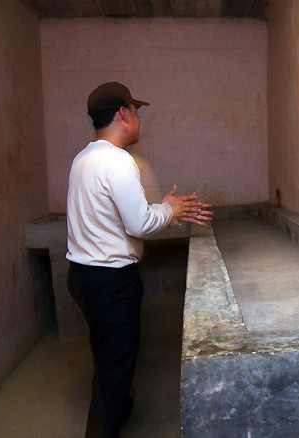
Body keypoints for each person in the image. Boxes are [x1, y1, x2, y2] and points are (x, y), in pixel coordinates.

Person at [66, 81, 212, 438]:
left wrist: (167, 209)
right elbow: (139, 224)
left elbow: (119, 218)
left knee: (107, 357)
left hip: (83, 277)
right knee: (114, 370)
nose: (139, 120)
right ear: (123, 114)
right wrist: (170, 209)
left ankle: (120, 410)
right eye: (137, 111)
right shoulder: (118, 161)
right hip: (110, 282)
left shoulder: (83, 159)